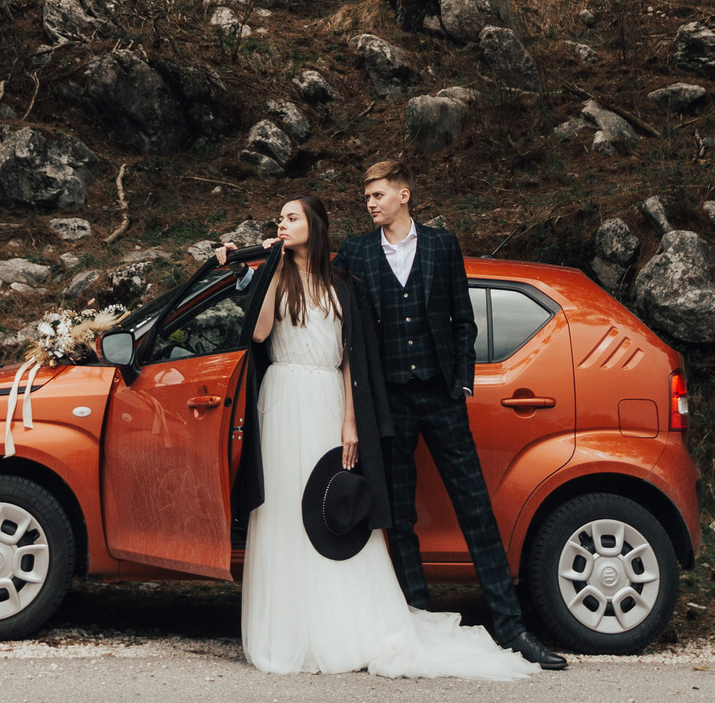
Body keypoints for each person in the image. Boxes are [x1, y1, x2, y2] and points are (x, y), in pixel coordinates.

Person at [222, 194, 537, 679]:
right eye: (279, 219)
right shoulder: (278, 275)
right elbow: (259, 333)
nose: (281, 225)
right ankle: (291, 629)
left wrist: (351, 421)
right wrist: (265, 266)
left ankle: (349, 626)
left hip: (328, 400)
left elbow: (353, 356)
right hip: (284, 401)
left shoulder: (342, 281)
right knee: (284, 512)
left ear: (315, 225)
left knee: (337, 513)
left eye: (291, 217)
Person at [333, 161, 566, 672]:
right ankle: (419, 623)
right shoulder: (354, 252)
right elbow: (322, 295)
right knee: (399, 516)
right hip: (390, 400)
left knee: (475, 510)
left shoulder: (442, 245)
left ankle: (510, 627)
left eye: (377, 194)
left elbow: (464, 319)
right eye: (366, 197)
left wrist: (462, 381)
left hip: (441, 396)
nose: (370, 203)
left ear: (403, 195)